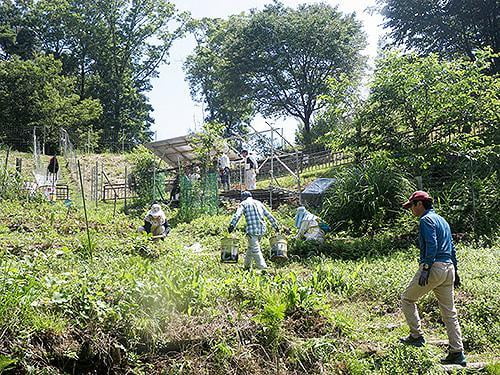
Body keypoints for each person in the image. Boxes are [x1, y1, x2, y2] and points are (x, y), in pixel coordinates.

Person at [400, 191, 466, 367]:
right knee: (450, 313)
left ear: (419, 204)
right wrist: (456, 271)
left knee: (407, 299)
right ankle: (457, 352)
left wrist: (426, 269)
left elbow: (432, 244)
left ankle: (416, 336)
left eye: (411, 206)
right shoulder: (442, 220)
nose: (411, 210)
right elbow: (451, 248)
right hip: (448, 268)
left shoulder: (425, 220)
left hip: (434, 267)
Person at [228, 191, 280, 270]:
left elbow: (237, 215)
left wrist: (232, 225)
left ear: (243, 198)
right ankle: (247, 266)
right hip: (262, 230)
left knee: (255, 249)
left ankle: (263, 268)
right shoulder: (258, 203)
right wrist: (275, 226)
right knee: (251, 248)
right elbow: (268, 215)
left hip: (252, 231)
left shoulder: (243, 204)